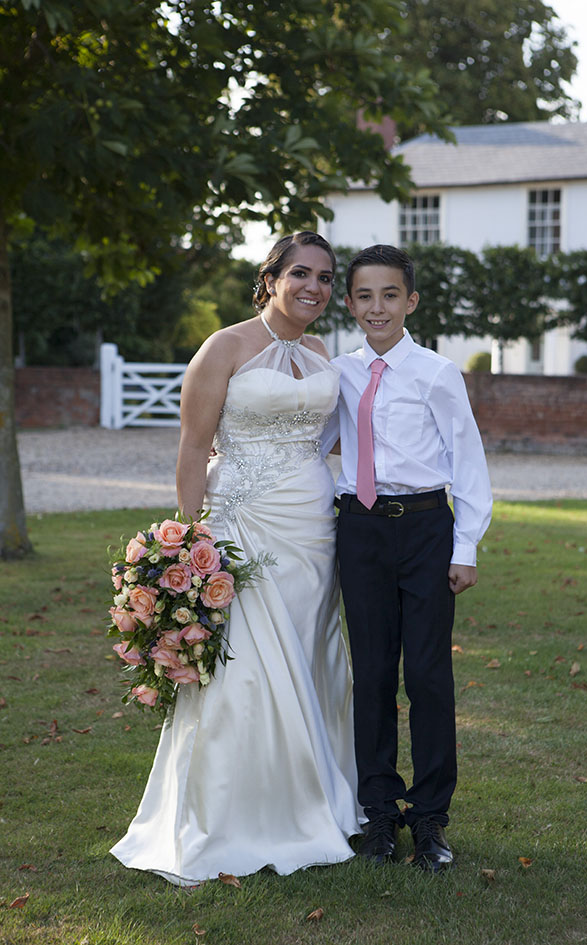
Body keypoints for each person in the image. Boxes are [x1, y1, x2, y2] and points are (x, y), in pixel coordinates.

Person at [110, 232, 363, 884]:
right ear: (271, 277)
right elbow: (193, 450)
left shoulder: (316, 351)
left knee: (308, 656)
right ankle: (236, 814)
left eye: (326, 277)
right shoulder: (224, 346)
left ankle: (315, 797)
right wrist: (195, 544)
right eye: (301, 273)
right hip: (243, 526)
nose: (315, 287)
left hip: (312, 528)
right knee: (246, 669)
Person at [327, 244, 492, 870]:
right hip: (360, 532)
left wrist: (465, 546)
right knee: (370, 675)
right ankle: (377, 814)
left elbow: (468, 460)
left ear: (411, 301)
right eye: (365, 296)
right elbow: (311, 445)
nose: (378, 307)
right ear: (350, 304)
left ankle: (429, 819)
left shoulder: (436, 373)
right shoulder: (335, 373)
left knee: (426, 676)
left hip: (424, 529)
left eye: (390, 294)